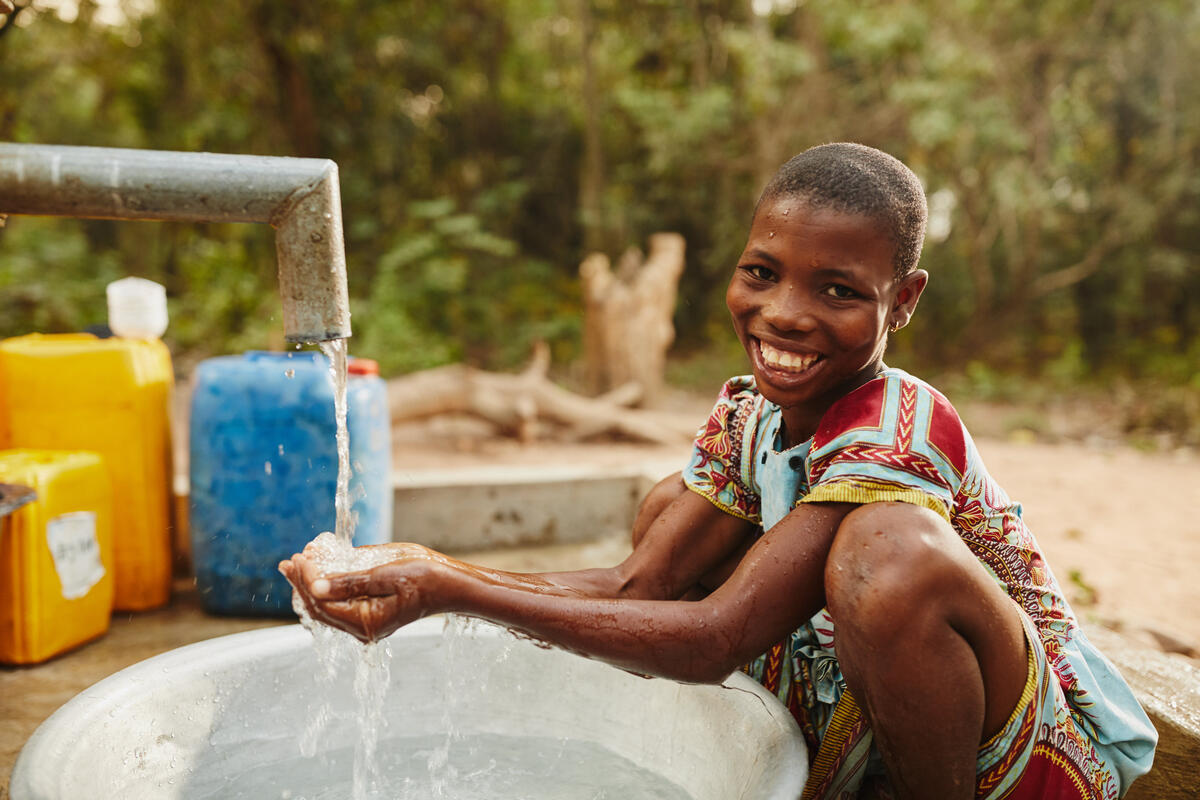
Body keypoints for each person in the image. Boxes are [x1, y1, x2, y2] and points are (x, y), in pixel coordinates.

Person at [281, 143, 1156, 799]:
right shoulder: (750, 413)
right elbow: (639, 585)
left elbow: (715, 638)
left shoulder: (902, 423)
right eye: (762, 274)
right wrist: (423, 565)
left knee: (888, 555)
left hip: (1025, 762)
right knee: (668, 509)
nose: (785, 314)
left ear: (907, 299)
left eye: (839, 291)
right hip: (859, 717)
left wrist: (452, 591)